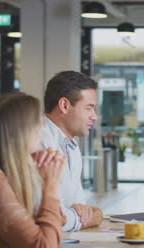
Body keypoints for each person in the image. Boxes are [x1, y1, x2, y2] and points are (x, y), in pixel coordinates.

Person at [0, 93, 66, 248]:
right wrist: (51, 186)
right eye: (39, 124)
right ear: (23, 133)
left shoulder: (5, 175)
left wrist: (36, 177)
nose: (42, 131)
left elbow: (58, 222)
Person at [42, 71, 103, 232]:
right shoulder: (40, 143)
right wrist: (96, 216)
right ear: (64, 105)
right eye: (88, 108)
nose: (94, 117)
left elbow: (80, 209)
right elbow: (54, 219)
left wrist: (88, 214)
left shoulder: (72, 147)